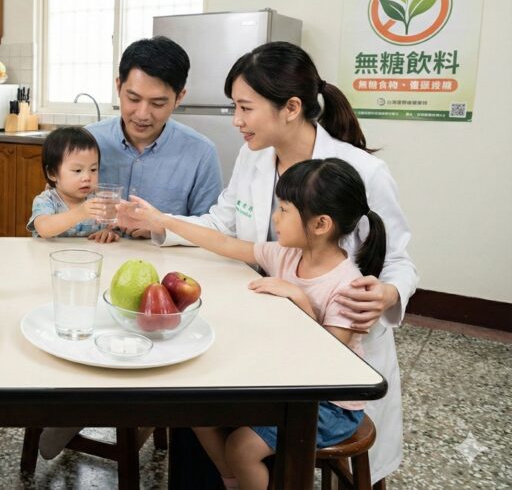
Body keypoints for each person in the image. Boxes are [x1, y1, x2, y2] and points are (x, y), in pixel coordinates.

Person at [120, 41, 417, 484]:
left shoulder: (361, 172)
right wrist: (159, 224)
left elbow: (399, 261)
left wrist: (389, 292)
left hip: (333, 343)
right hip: (266, 322)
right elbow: (224, 222)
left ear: (291, 107)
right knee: (198, 402)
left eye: (245, 108)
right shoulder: (254, 155)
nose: (236, 121)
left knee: (256, 430)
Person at [126, 158, 383, 490]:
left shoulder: (347, 285)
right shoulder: (287, 254)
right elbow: (226, 243)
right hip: (285, 382)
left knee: (242, 448)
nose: (274, 217)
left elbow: (329, 364)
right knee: (195, 414)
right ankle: (234, 483)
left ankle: (241, 478)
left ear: (320, 225)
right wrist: (164, 221)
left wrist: (299, 300)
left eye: (284, 210)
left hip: (329, 404)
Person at [85, 36, 222, 238]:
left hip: (167, 264)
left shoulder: (201, 153)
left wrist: (162, 228)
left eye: (157, 104)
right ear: (118, 87)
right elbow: (57, 207)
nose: (142, 114)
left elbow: (211, 230)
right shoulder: (87, 141)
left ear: (179, 98)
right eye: (133, 99)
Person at [27, 126, 119, 242]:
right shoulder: (46, 201)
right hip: (49, 257)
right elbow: (43, 228)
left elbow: (113, 228)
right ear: (52, 173)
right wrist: (81, 212)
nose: (87, 177)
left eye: (93, 169)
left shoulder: (98, 201)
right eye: (77, 170)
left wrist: (108, 232)